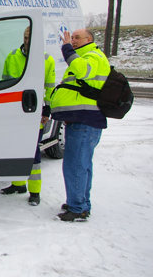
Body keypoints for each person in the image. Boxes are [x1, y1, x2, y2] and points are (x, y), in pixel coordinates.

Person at [51, 28, 110, 222]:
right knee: (82, 165)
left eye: (77, 38)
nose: (73, 41)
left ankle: (78, 208)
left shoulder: (92, 56)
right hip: (83, 120)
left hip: (85, 121)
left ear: (89, 39)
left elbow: (82, 71)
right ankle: (81, 203)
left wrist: (67, 49)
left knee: (75, 165)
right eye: (72, 38)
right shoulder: (85, 56)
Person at [0, 26, 56, 206]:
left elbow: (50, 89)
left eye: (31, 38)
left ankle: (35, 192)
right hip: (15, 114)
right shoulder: (12, 56)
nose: (27, 40)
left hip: (34, 113)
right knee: (15, 150)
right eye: (25, 37)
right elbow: (4, 84)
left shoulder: (47, 60)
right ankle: (18, 184)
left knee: (33, 154)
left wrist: (47, 110)